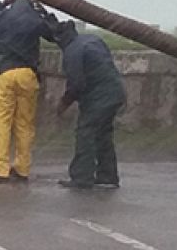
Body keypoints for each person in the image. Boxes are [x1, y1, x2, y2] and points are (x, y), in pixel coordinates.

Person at [0, 0, 55, 183]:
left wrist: (1, 4)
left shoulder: (4, 15)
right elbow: (54, 33)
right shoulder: (35, 18)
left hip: (5, 74)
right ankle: (22, 168)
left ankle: (0, 169)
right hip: (28, 75)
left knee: (2, 123)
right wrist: (42, 11)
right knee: (25, 124)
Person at [52, 21, 127, 190]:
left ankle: (82, 177)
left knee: (86, 133)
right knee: (103, 135)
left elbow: (76, 84)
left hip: (99, 97)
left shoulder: (72, 51)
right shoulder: (93, 39)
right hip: (116, 91)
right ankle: (108, 176)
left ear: (59, 40)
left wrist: (63, 103)